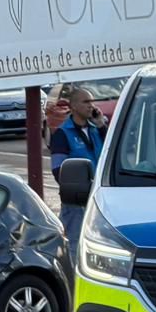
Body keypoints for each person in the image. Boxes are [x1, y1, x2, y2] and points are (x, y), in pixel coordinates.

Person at [49, 86, 107, 250]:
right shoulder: (63, 133)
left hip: (99, 198)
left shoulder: (96, 129)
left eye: (92, 102)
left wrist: (101, 126)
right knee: (75, 245)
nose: (91, 106)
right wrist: (77, 188)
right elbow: (58, 170)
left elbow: (111, 152)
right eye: (86, 102)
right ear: (73, 106)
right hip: (77, 202)